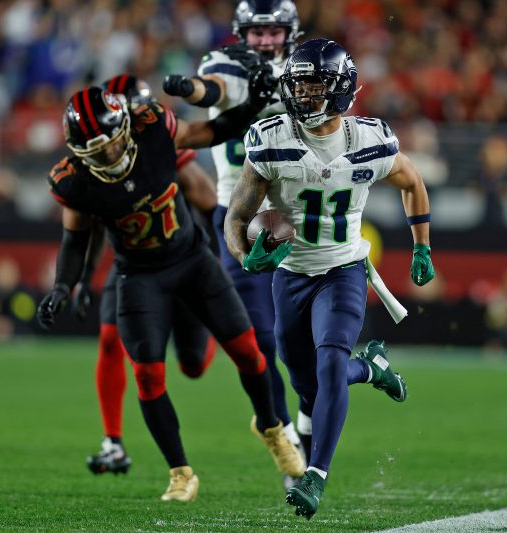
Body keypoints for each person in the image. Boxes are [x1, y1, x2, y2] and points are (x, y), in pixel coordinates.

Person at [36, 84, 304, 502]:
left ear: (125, 126)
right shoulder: (74, 180)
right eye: (97, 152)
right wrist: (61, 287)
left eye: (112, 143)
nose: (110, 155)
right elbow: (75, 240)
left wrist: (251, 105)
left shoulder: (153, 127)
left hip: (192, 260)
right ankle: (180, 472)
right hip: (139, 276)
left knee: (248, 351)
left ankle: (270, 428)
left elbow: (210, 132)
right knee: (146, 374)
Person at [224, 38, 435, 519]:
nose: (304, 94)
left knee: (331, 363)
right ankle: (372, 369)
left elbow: (413, 182)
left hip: (342, 271)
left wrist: (422, 244)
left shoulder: (369, 140)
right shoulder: (271, 138)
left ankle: (315, 475)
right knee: (308, 386)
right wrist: (244, 255)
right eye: (298, 85)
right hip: (291, 275)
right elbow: (236, 216)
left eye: (315, 85)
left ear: (341, 88)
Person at [164, 0, 305, 482]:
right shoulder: (228, 62)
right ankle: (284, 432)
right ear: (243, 33)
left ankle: (306, 421)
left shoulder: (309, 70)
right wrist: (189, 88)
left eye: (273, 31)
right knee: (260, 337)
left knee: (303, 340)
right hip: (240, 216)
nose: (265, 40)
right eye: (257, 32)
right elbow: (213, 89)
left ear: (289, 31)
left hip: (300, 213)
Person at [72, 74, 219, 476]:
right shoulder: (99, 160)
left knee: (192, 365)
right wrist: (84, 275)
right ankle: (113, 442)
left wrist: (216, 266)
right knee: (109, 339)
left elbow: (207, 199)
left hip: (179, 259)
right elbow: (92, 220)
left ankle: (210, 334)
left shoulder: (159, 143)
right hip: (132, 266)